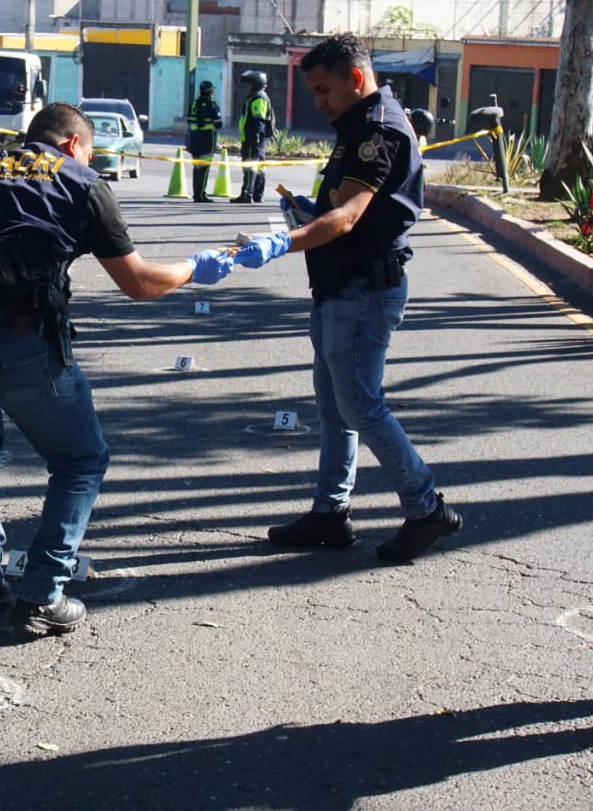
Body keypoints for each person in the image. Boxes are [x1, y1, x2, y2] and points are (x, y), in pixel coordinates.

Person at [0, 102, 234, 635]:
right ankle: (41, 592)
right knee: (80, 460)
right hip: (22, 346)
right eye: (87, 151)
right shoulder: (80, 182)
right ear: (71, 144)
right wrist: (195, 267)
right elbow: (140, 284)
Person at [235, 34, 462, 563]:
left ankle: (426, 507)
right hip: (340, 285)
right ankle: (330, 514)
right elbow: (337, 210)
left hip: (363, 289)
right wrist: (307, 214)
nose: (318, 102)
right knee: (336, 408)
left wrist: (280, 242)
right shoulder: (357, 127)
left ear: (355, 79)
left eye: (323, 90)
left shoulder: (377, 131)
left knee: (360, 404)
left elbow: (350, 216)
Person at [230, 70, 273, 204]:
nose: (246, 87)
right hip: (256, 138)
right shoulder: (258, 96)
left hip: (253, 138)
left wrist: (255, 136)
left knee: (250, 165)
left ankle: (247, 194)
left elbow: (258, 118)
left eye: (249, 84)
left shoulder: (258, 98)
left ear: (255, 85)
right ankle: (257, 194)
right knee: (258, 166)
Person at [187, 80, 224, 203]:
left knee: (197, 167)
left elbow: (189, 120)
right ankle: (201, 195)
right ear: (210, 91)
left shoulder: (193, 104)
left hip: (193, 139)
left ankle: (196, 193)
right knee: (204, 168)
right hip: (206, 140)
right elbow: (218, 124)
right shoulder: (212, 104)